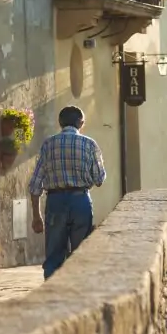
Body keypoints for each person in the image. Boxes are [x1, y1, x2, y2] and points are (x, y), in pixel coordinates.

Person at [28, 106, 106, 279]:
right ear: (80, 122)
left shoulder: (48, 144)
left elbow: (35, 184)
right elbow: (99, 178)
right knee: (81, 253)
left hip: (55, 201)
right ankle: (78, 292)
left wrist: (36, 215)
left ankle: (51, 292)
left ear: (60, 123)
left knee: (54, 254)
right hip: (81, 201)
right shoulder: (89, 144)